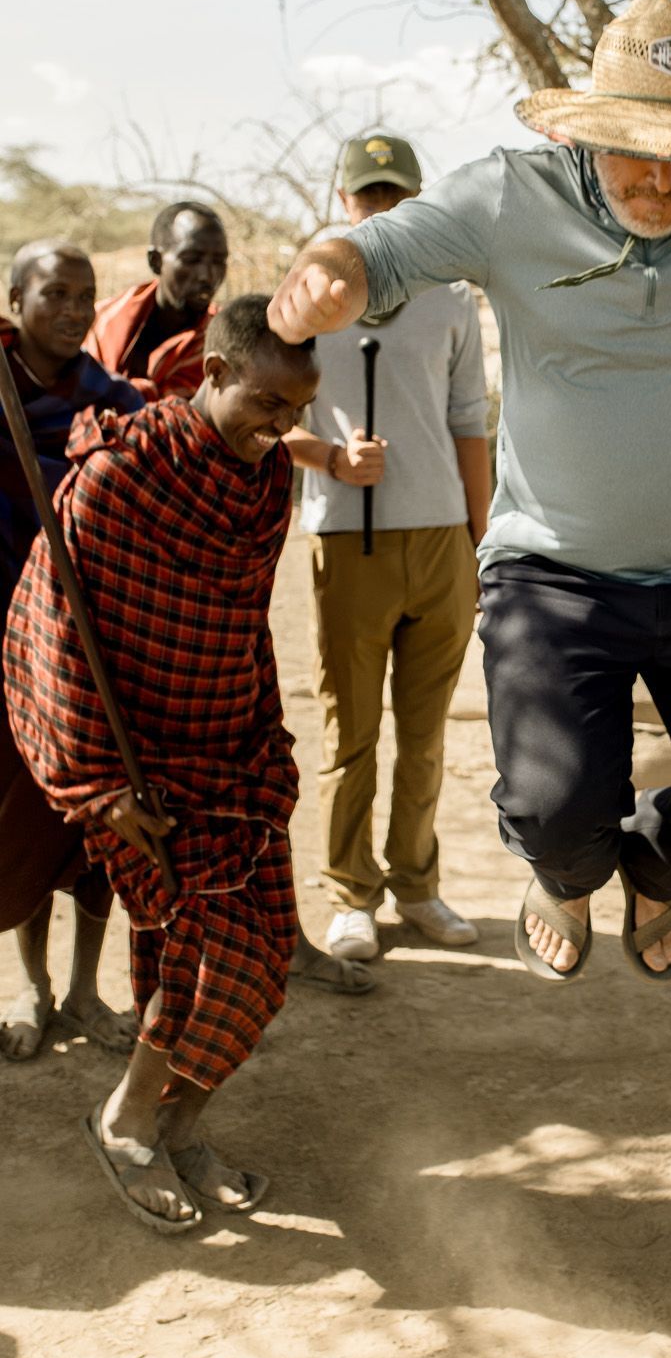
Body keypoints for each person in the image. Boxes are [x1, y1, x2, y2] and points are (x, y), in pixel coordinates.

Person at [269, 0, 671, 984]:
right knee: (554, 817)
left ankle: (656, 868)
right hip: (551, 572)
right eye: (638, 148)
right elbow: (376, 251)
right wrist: (324, 273)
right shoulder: (510, 194)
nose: (663, 178)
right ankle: (569, 875)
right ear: (585, 131)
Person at [5, 295, 319, 1229]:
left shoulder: (268, 479)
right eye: (268, 403)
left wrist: (266, 739)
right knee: (207, 954)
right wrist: (98, 786)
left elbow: (244, 624)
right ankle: (127, 1122)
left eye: (297, 411)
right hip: (139, 768)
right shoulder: (117, 478)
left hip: (233, 752)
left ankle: (181, 1125)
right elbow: (50, 633)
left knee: (263, 958)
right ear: (214, 373)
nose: (280, 427)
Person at [284, 132, 490, 962]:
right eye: (368, 195)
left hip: (440, 540)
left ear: (418, 199)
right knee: (351, 733)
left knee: (426, 734)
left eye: (395, 195)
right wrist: (331, 459)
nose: (381, 209)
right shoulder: (303, 296)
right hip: (348, 539)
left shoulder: (451, 294)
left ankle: (417, 883)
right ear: (344, 201)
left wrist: (479, 540)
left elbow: (469, 421)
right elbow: (264, 419)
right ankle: (350, 896)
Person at [0, 241, 144, 1060]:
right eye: (54, 292)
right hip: (6, 646)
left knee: (95, 826)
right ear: (15, 300)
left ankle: (87, 987)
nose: (73, 309)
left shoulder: (112, 402)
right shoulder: (0, 391)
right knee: (23, 818)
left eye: (85, 295)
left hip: (91, 643)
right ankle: (33, 985)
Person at [85, 201, 228, 398]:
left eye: (219, 261)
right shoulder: (100, 319)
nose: (207, 276)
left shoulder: (225, 339)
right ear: (156, 261)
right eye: (191, 260)